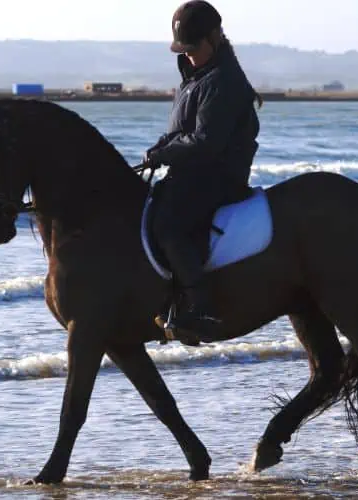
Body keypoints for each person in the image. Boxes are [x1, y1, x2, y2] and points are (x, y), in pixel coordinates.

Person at [144, 0, 262, 344]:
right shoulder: (194, 78)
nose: (189, 54)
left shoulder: (224, 81)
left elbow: (206, 142)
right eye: (185, 49)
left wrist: (165, 153)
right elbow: (182, 130)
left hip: (219, 174)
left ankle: (202, 306)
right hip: (193, 171)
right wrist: (159, 148)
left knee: (168, 225)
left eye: (194, 48)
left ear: (214, 38)